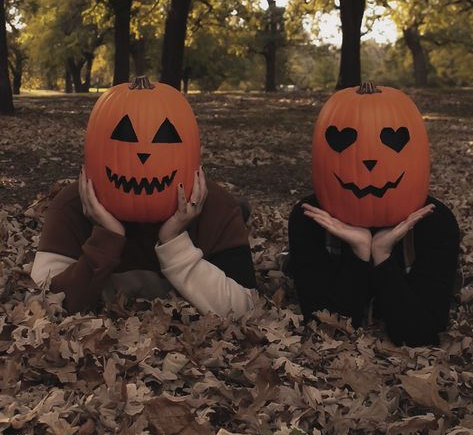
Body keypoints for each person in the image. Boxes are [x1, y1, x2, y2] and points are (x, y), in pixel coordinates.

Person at [31, 79, 256, 317]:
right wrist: (107, 239)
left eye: (165, 137)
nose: (143, 154)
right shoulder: (71, 207)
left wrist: (173, 242)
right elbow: (42, 304)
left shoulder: (218, 208)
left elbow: (245, 309)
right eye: (124, 134)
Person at [288, 83, 460, 347]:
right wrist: (359, 252)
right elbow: (327, 331)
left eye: (394, 142)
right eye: (342, 141)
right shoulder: (309, 220)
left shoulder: (436, 223)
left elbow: (419, 334)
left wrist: (381, 255)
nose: (369, 160)